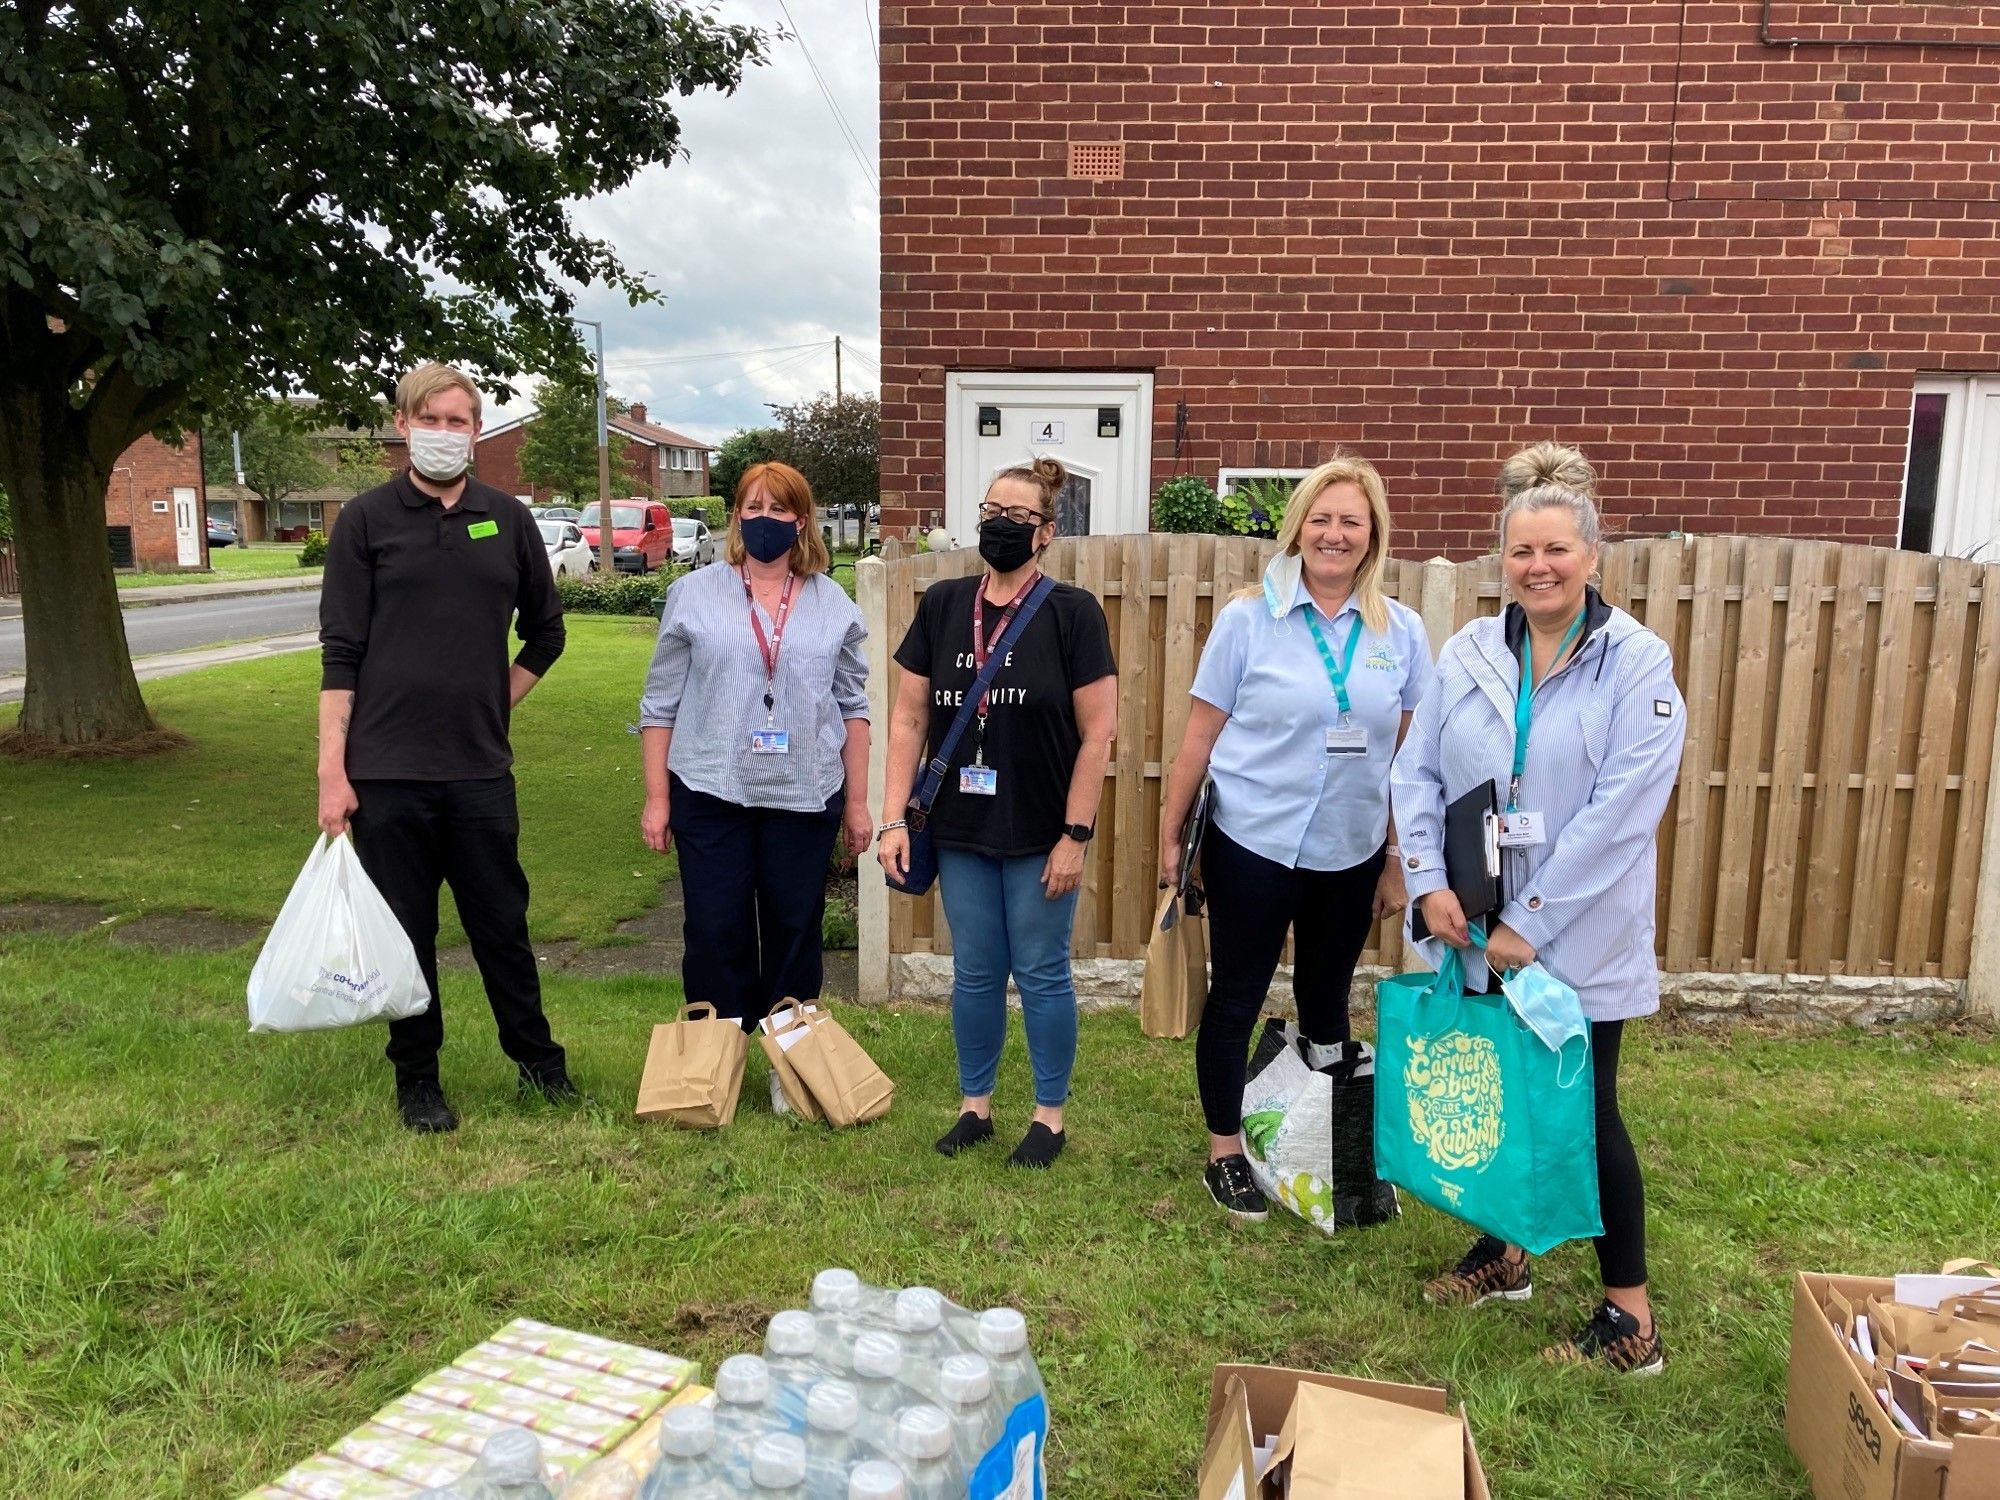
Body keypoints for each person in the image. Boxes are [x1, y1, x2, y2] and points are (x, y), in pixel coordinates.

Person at [1390, 442, 1686, 1374]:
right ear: (1502, 561)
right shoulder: (1471, 649)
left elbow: (1621, 816)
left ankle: (1630, 1319)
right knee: (1493, 1089)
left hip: (1574, 940)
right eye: (1522, 552)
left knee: (1585, 1112)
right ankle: (1505, 1255)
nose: (1539, 567)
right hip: (1474, 923)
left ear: (1593, 556)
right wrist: (1432, 881)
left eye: (1558, 550)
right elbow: (1417, 772)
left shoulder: (1636, 662)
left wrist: (1535, 924)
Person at [1157, 454, 1434, 1221]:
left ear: (1372, 535)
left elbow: (1408, 762)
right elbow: (1198, 740)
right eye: (1321, 518)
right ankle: (1226, 1151)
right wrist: (1171, 837)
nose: (1334, 534)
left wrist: (1395, 860)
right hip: (1254, 843)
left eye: (1351, 521)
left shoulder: (1401, 632)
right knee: (1237, 996)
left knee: (1327, 1000)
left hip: (1347, 854)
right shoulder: (1249, 619)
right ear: (1298, 527)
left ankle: (1321, 1146)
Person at [318, 361, 572, 1133]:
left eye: (458, 421)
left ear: (476, 431)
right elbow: (340, 654)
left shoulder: (507, 517)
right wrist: (333, 769)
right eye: (429, 419)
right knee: (408, 934)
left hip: (479, 771)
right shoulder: (365, 521)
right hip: (388, 771)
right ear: (403, 426)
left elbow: (547, 632)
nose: (443, 433)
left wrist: (494, 701)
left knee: (503, 925)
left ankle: (538, 1065)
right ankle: (418, 1080)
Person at [877, 457, 1117, 1169]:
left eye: (1017, 517)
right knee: (975, 972)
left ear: (1046, 533)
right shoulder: (945, 604)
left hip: (1042, 829)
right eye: (991, 511)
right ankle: (974, 1107)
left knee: (1042, 972)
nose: (999, 525)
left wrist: (1076, 835)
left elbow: (1099, 732)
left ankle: (1049, 1117)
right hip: (961, 828)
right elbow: (907, 719)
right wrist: (894, 819)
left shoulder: (1073, 613)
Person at [638, 462, 872, 1030]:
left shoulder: (833, 604)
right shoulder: (691, 595)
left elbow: (853, 706)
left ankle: (790, 1060)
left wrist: (860, 803)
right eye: (754, 507)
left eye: (779, 509)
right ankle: (717, 1058)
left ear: (802, 519)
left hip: (805, 794)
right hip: (711, 788)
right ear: (738, 516)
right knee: (716, 929)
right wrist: (657, 797)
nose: (765, 519)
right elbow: (659, 703)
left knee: (795, 927)